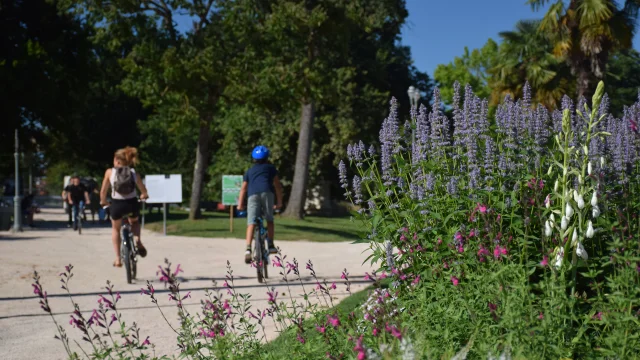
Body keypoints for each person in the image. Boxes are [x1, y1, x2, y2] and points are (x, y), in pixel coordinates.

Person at [100, 146, 149, 267]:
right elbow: (143, 190)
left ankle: (117, 259)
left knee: (116, 229)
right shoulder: (134, 173)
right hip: (132, 204)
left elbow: (103, 191)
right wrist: (144, 195)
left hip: (117, 205)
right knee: (135, 223)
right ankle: (137, 240)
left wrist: (103, 202)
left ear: (117, 160)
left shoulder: (109, 172)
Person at [237, 145, 283, 264]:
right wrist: (279, 202)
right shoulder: (271, 168)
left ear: (254, 158)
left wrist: (240, 204)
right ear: (267, 157)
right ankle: (271, 244)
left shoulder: (250, 171)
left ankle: (248, 249)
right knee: (269, 219)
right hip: (267, 193)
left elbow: (243, 189)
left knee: (251, 222)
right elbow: (277, 185)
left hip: (252, 195)